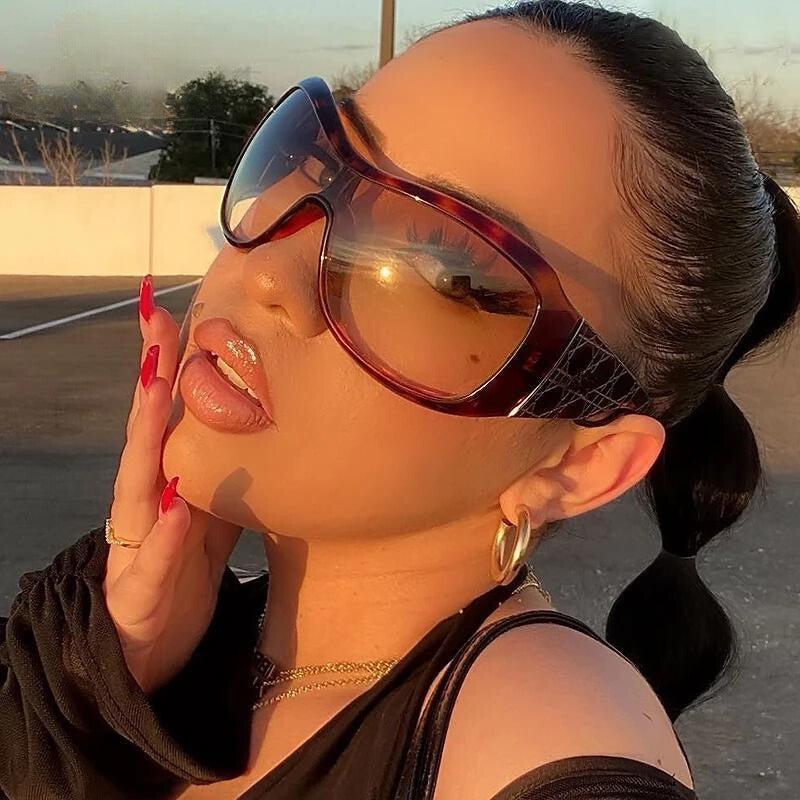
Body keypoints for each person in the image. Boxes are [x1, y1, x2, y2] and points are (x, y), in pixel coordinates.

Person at [2, 1, 799, 798]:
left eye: (442, 271)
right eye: (315, 155)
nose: (271, 269)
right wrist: (99, 685)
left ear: (582, 464)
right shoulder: (141, 651)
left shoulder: (543, 755)